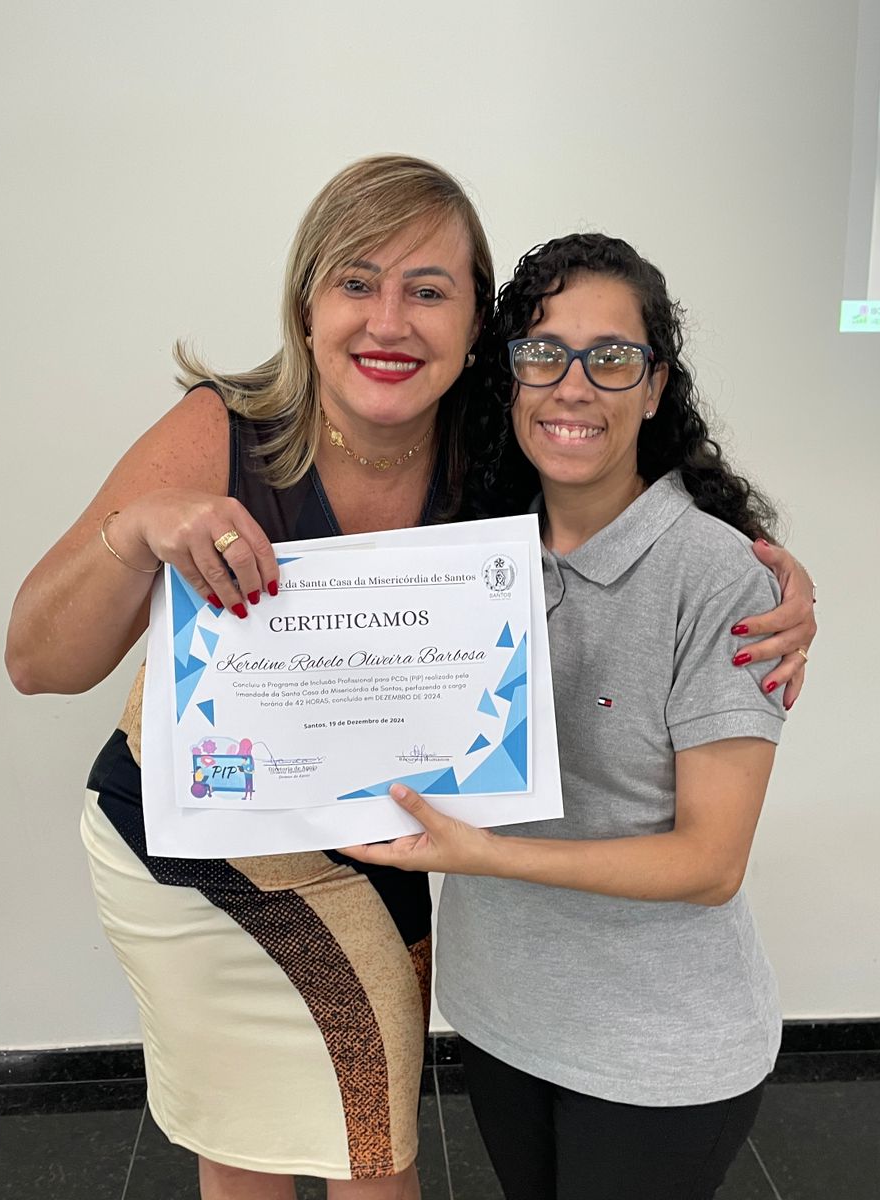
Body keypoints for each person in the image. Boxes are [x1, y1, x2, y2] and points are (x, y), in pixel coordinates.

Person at [5, 157, 818, 1198]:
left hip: (380, 842)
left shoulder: (488, 452)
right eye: (356, 281)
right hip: (199, 848)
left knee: (371, 1144)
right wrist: (136, 532)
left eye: (428, 290)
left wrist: (772, 573)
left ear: (475, 326)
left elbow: (633, 506)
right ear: (306, 306)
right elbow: (37, 662)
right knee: (254, 1143)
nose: (388, 320)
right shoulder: (228, 431)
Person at [342, 233, 793, 1199]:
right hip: (501, 1016)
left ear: (655, 385)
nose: (574, 386)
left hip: (658, 1049)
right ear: (510, 379)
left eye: (612, 357)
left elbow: (710, 863)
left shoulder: (718, 573)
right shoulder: (469, 553)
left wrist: (483, 854)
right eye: (544, 353)